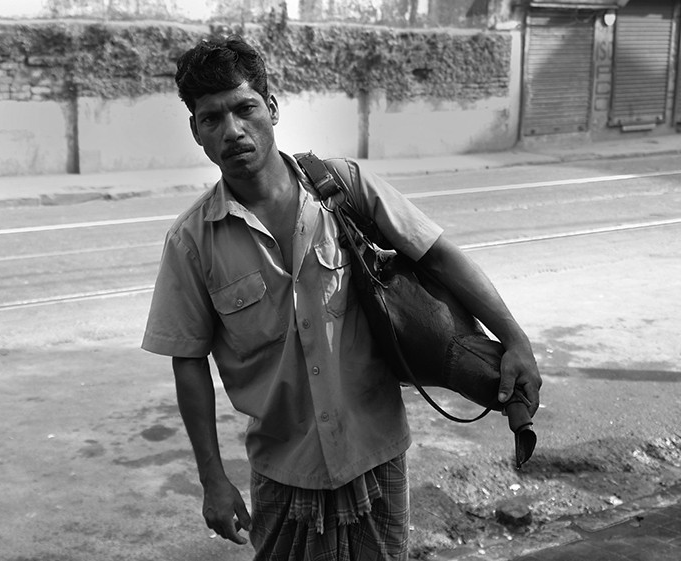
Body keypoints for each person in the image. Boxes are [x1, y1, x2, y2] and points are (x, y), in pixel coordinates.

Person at [142, 35, 541, 560]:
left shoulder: (344, 186)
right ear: (197, 132)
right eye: (211, 118)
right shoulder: (192, 241)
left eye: (245, 108)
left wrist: (514, 339)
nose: (232, 130)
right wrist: (212, 479)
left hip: (375, 454)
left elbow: (439, 256)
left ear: (272, 108)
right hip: (283, 470)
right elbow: (188, 361)